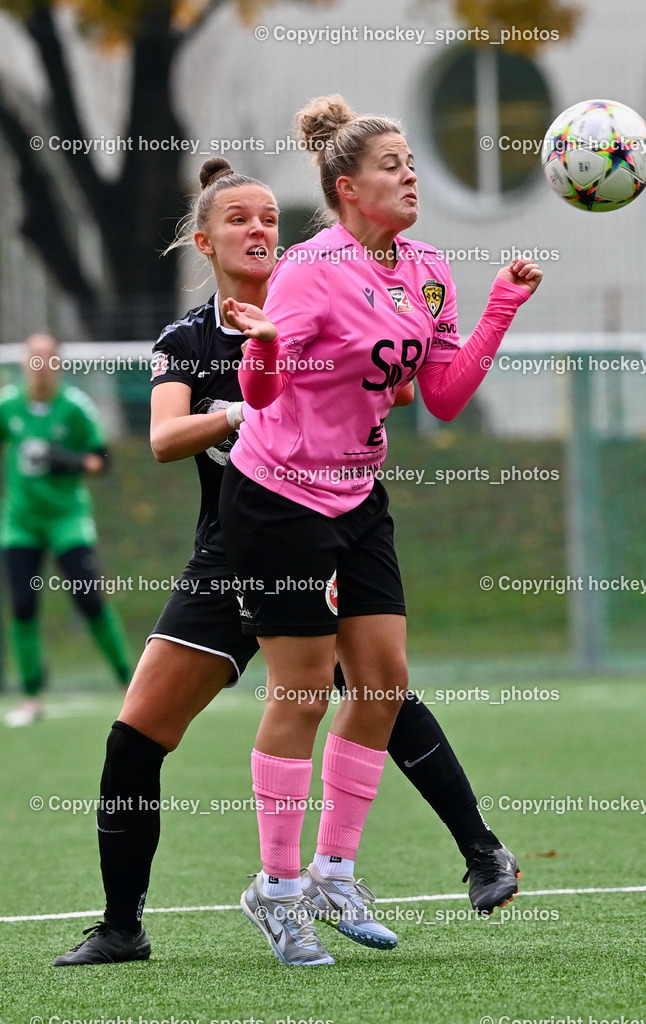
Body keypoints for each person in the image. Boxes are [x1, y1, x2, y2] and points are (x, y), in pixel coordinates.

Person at [53, 156, 521, 967]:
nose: (259, 229)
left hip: (327, 523)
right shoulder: (189, 339)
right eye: (238, 218)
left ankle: (471, 853)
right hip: (234, 550)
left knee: (383, 689)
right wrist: (243, 402)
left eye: (269, 216)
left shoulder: (341, 287)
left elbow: (407, 385)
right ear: (204, 240)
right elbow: (164, 438)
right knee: (136, 739)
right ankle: (123, 926)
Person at [220, 95, 542, 966]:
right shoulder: (308, 267)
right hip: (277, 496)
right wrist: (259, 351)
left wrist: (501, 305)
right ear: (346, 188)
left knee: (384, 682)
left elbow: (439, 395)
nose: (409, 175)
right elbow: (261, 394)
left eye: (409, 161)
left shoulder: (428, 267)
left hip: (356, 495)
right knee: (300, 691)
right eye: (392, 164)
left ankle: (332, 873)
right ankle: (276, 891)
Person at [0, 334, 131, 727]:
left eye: (47, 359)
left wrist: (68, 461)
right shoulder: (8, 405)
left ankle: (131, 683)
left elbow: (102, 458)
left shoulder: (74, 408)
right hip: (20, 523)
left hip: (67, 520)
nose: (39, 366)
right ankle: (31, 696)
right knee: (23, 605)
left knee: (89, 599)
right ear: (24, 364)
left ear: (57, 365)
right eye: (32, 358)